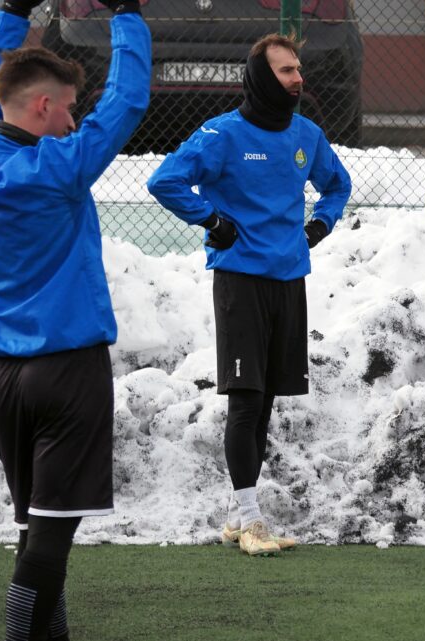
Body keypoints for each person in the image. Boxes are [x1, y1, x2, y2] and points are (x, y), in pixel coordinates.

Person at [0, 0, 149, 637]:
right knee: (49, 545)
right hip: (68, 374)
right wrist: (128, 15)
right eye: (66, 108)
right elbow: (127, 102)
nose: (73, 120)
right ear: (41, 108)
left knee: (39, 530)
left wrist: (11, 12)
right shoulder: (57, 168)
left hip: (6, 379)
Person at [147, 33, 352, 557]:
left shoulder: (307, 134)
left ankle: (242, 517)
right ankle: (252, 520)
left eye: (299, 69)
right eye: (286, 71)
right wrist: (211, 220)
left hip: (290, 281)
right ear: (261, 77)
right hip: (240, 282)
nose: (298, 79)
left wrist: (318, 227)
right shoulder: (221, 134)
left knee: (263, 404)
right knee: (244, 402)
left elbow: (338, 185)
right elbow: (165, 181)